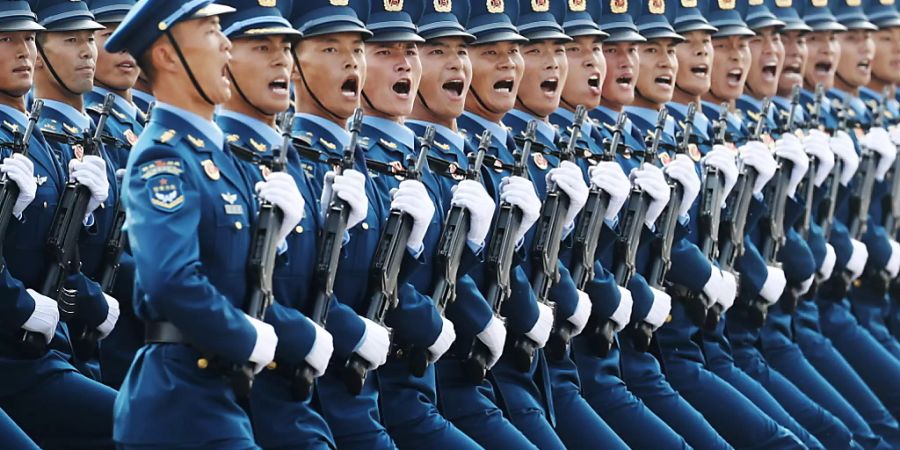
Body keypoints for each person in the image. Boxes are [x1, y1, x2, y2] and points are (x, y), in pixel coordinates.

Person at [106, 0, 309, 447]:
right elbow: (171, 280)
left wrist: (278, 240)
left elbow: (231, 274)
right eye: (213, 31)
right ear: (166, 56)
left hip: (215, 393)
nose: (227, 48)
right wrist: (244, 336)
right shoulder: (165, 156)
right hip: (179, 401)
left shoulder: (220, 157)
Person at [405, 1, 535, 447]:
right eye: (437, 50)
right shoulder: (410, 167)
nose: (457, 61)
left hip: (501, 374)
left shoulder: (469, 159)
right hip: (437, 382)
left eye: (462, 49)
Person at [502, 1, 629, 448]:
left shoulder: (570, 149)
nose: (593, 60)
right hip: (508, 374)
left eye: (564, 48)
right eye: (537, 48)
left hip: (573, 365)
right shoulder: (509, 158)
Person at [215, 0, 340, 447]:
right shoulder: (220, 158)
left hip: (302, 398)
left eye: (285, 47)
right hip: (245, 401)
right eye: (261, 46)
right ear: (221, 57)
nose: (280, 60)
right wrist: (304, 334)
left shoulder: (296, 161)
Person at [0, 0, 117, 448]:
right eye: (6, 39)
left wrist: (86, 221)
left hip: (48, 349)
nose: (23, 50)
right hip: (15, 360)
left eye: (28, 38)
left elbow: (54, 249)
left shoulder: (35, 137)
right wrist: (22, 307)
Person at [286, 0, 395, 447]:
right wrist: (354, 332)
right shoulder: (295, 158)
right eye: (330, 48)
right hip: (312, 395)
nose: (351, 59)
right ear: (294, 65)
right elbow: (290, 285)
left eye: (356, 47)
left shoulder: (353, 154)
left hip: (363, 393)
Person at [455, 1, 563, 447]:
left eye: (516, 49)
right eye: (487, 51)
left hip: (537, 371)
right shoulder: (464, 162)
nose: (508, 62)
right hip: (461, 379)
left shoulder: (512, 155)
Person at [83, 0, 141, 391]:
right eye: (109, 36)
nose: (126, 48)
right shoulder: (91, 126)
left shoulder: (148, 116)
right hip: (120, 326)